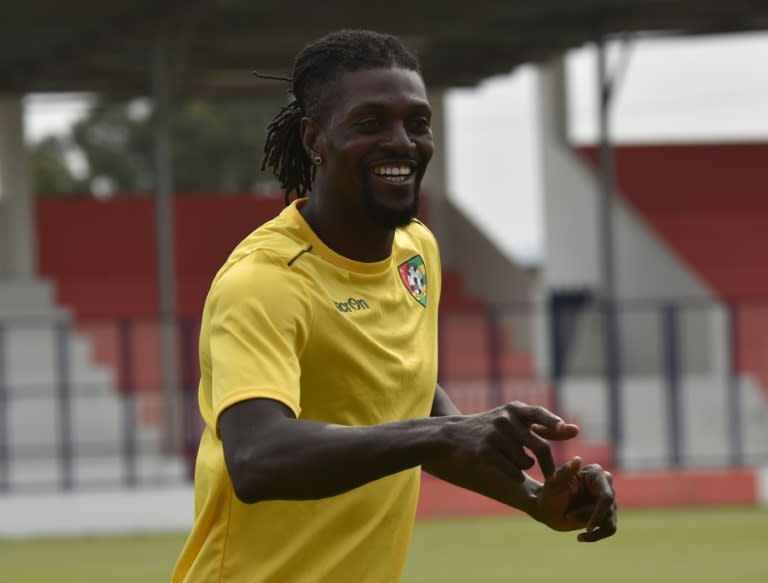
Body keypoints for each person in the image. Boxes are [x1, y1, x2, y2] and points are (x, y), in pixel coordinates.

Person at [172, 29, 616, 583]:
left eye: (418, 122)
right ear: (315, 139)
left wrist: (534, 498)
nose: (402, 141)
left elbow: (406, 397)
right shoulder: (263, 282)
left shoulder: (417, 252)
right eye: (370, 123)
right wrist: (447, 433)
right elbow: (258, 458)